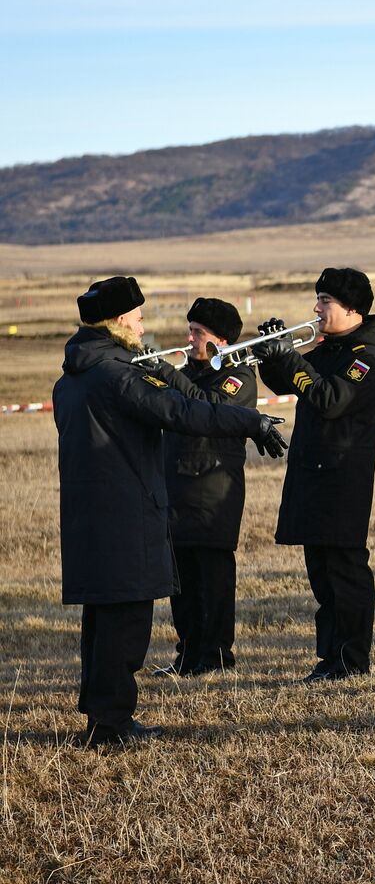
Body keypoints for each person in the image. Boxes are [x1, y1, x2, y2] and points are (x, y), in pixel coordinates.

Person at [54, 277, 285, 745]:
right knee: (126, 623)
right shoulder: (118, 376)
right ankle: (113, 724)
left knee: (101, 620)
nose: (143, 327)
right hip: (124, 516)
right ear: (119, 322)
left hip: (88, 516)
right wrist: (252, 421)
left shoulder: (72, 377)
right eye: (138, 319)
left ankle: (102, 714)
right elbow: (184, 412)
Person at [255, 267, 375, 682]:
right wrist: (271, 352)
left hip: (342, 476)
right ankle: (330, 657)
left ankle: (352, 659)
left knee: (346, 571)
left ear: (352, 308)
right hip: (314, 471)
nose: (316, 309)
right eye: (317, 300)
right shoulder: (336, 347)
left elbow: (328, 398)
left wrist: (291, 357)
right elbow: (291, 380)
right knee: (321, 572)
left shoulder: (368, 358)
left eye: (325, 302)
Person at [157, 297, 259, 675]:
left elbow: (210, 409)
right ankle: (186, 656)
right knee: (180, 583)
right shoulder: (189, 372)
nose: (189, 338)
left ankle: (216, 658)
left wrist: (169, 375)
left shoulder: (239, 376)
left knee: (212, 582)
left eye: (198, 332)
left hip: (214, 490)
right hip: (177, 488)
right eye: (190, 330)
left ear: (222, 340)